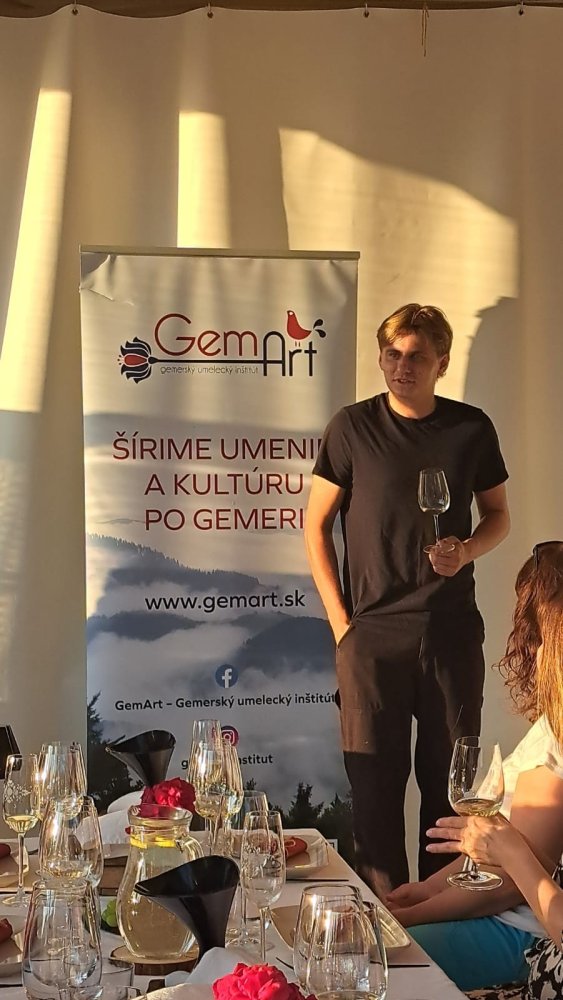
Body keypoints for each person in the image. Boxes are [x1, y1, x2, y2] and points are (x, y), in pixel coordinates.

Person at [305, 303, 509, 894]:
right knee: (374, 796)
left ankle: (438, 924)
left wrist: (465, 551)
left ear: (441, 362)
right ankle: (383, 922)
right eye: (392, 354)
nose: (402, 366)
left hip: (450, 633)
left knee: (451, 794)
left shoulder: (471, 429)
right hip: (370, 640)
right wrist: (344, 628)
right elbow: (316, 526)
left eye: (417, 356)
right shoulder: (351, 428)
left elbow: (498, 516)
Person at [386, 541, 563, 994]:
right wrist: (430, 889)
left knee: (375, 964)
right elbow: (501, 854)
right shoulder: (551, 726)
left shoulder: (555, 747)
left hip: (520, 935)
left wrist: (411, 917)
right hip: (510, 918)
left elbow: (513, 881)